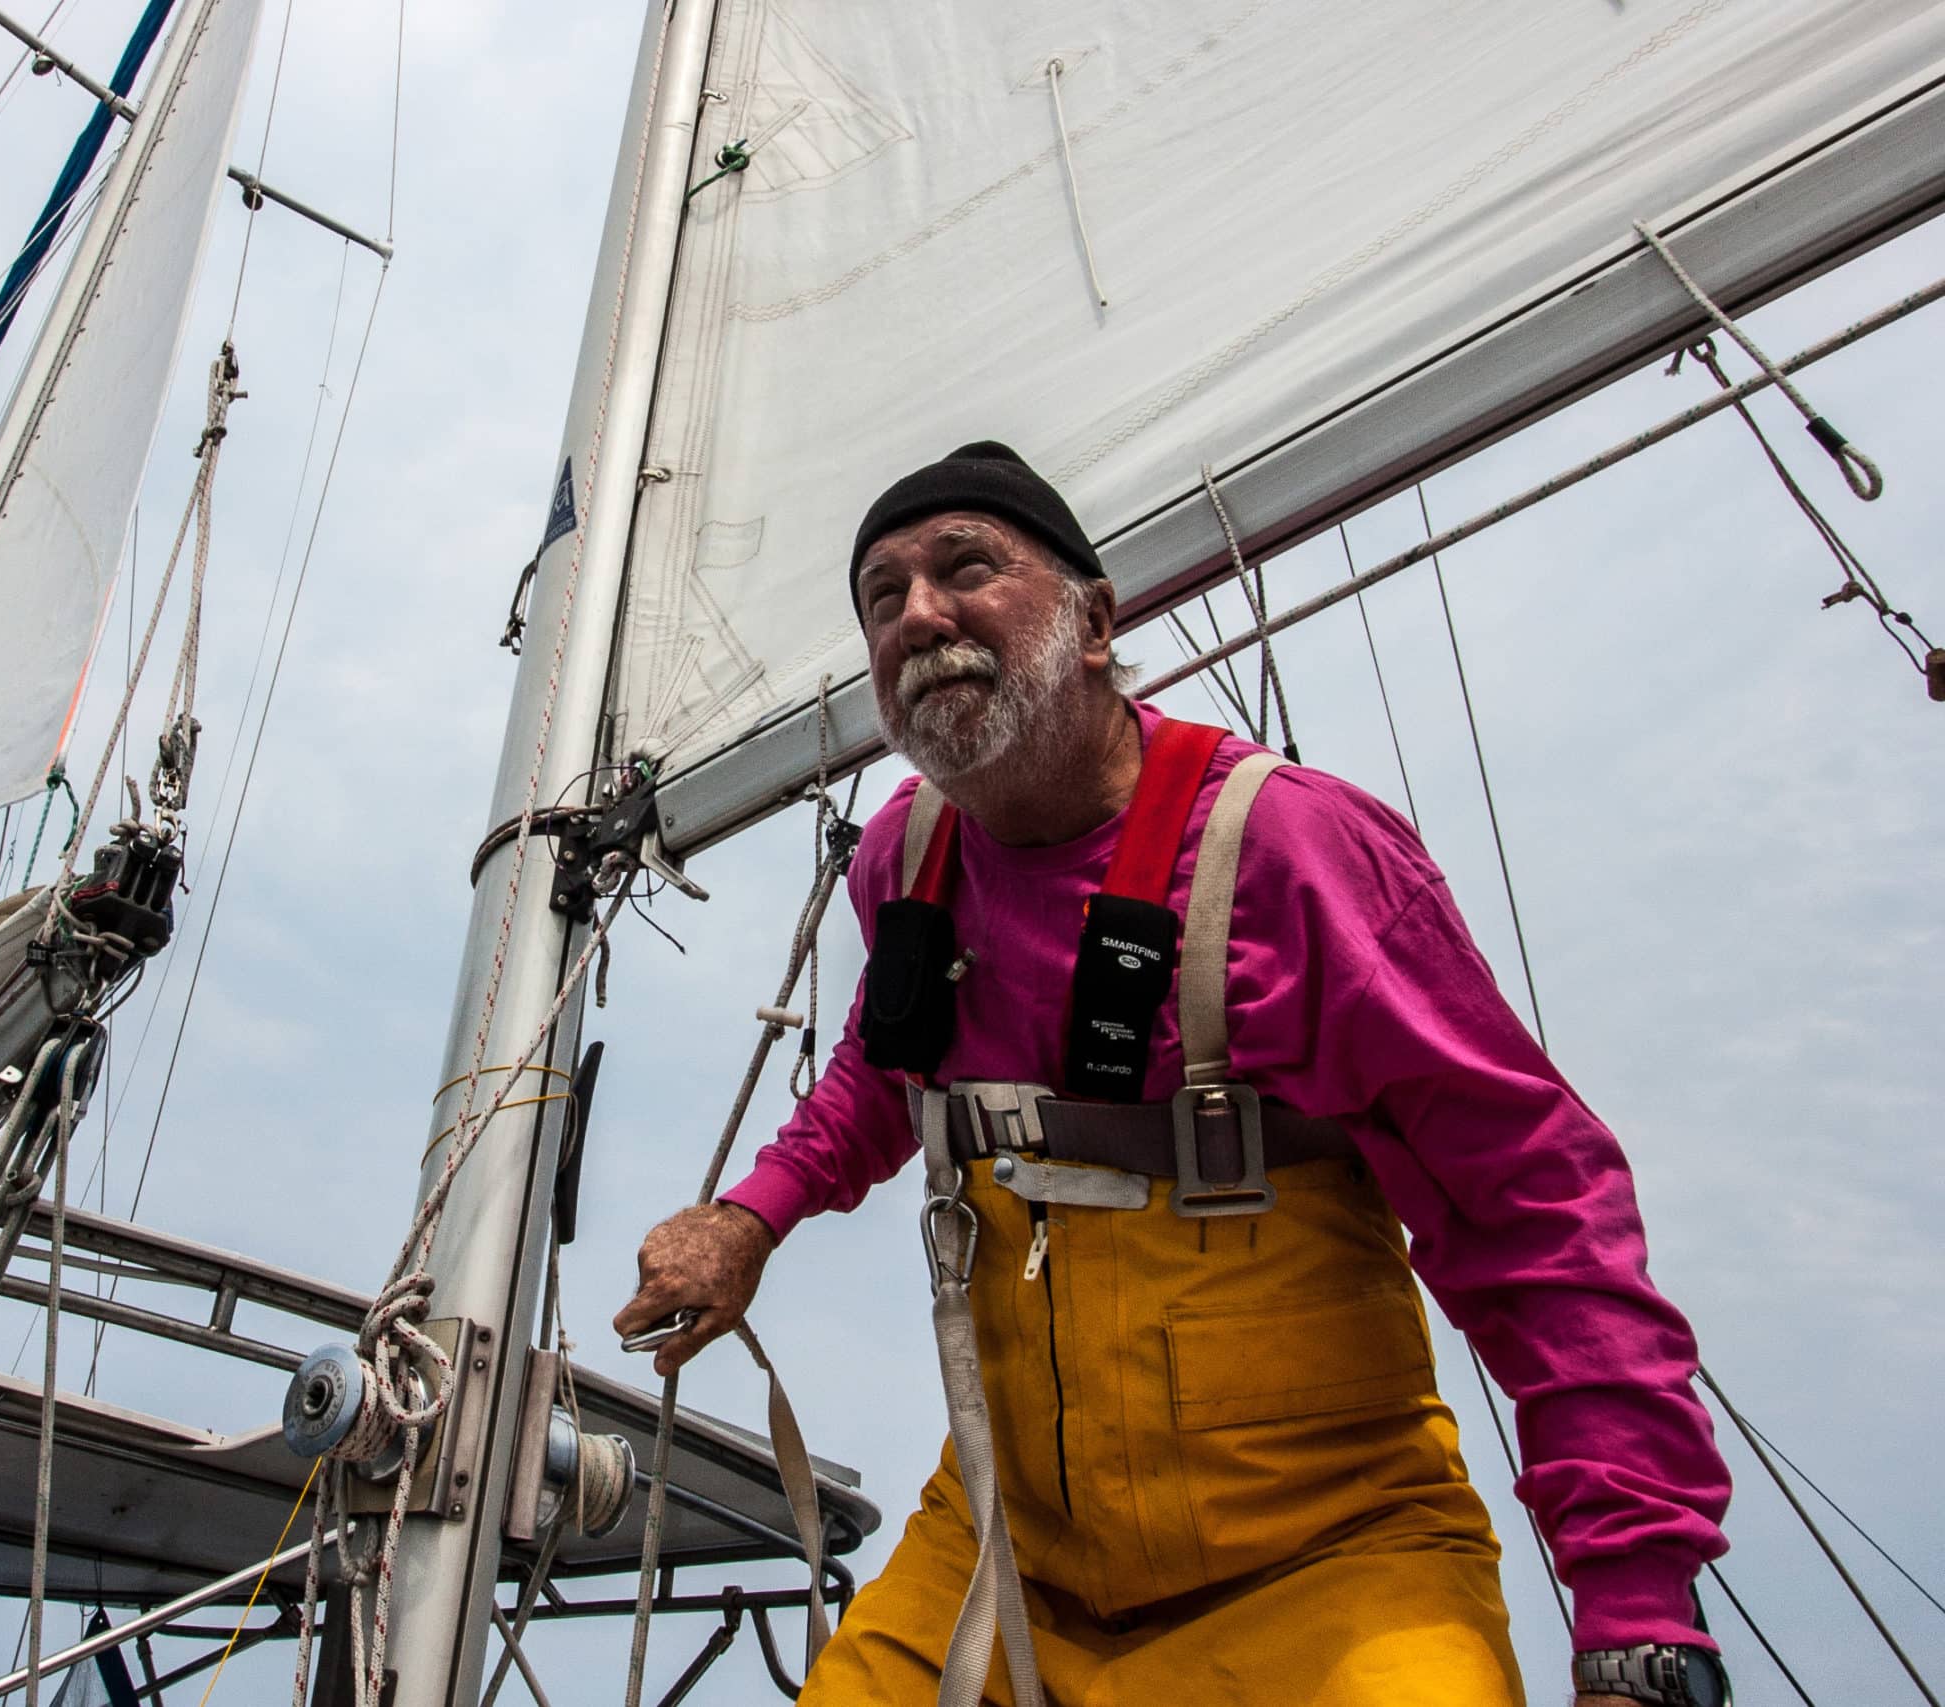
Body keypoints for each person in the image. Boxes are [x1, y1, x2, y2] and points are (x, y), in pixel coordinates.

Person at [614, 443, 1734, 1706]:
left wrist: (1637, 1615)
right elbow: (890, 1070)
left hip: (1329, 1572)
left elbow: (1531, 1214)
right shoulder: (902, 860)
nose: (917, 613)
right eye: (881, 598)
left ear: (1095, 619)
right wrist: (750, 1215)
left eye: (963, 568)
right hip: (1001, 1557)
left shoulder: (1294, 851)